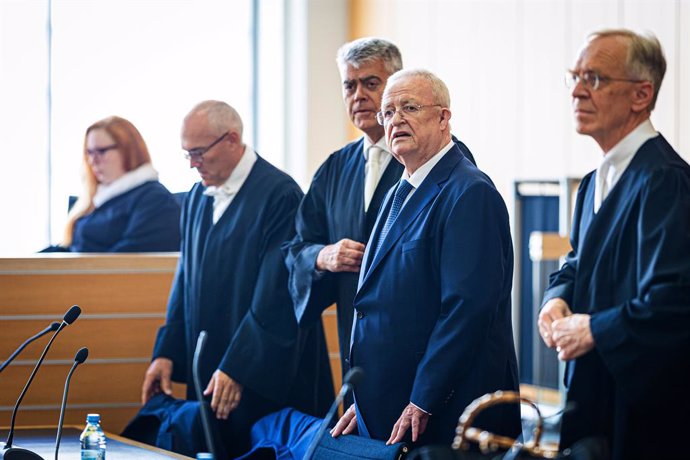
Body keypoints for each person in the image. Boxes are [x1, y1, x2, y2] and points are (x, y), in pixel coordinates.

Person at [331, 69, 520, 447]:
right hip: (390, 403)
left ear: (443, 118)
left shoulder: (469, 192)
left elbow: (466, 311)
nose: (395, 119)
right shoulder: (399, 191)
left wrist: (423, 397)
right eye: (388, 112)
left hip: (446, 410)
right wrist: (367, 400)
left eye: (410, 107)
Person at [283, 38, 475, 396]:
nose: (358, 95)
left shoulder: (442, 161)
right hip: (357, 345)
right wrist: (323, 256)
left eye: (371, 83)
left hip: (422, 348)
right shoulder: (335, 168)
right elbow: (297, 248)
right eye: (349, 85)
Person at [141, 101, 332, 458]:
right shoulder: (197, 196)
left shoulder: (281, 195)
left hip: (266, 372)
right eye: (187, 155)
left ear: (232, 139)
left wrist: (239, 367)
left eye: (199, 153)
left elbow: (279, 294)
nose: (193, 164)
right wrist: (166, 351)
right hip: (212, 366)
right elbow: (186, 280)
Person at [538, 29, 690, 460]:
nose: (578, 92)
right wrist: (555, 300)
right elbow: (576, 263)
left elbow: (675, 302)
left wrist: (593, 329)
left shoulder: (665, 181)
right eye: (574, 77)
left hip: (641, 412)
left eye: (595, 79)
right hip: (591, 396)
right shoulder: (591, 184)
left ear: (641, 95)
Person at [43, 116, 180, 252]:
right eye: (89, 153)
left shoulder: (154, 200)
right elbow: (69, 249)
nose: (92, 161)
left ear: (129, 151)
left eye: (101, 151)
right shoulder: (94, 200)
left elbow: (124, 261)